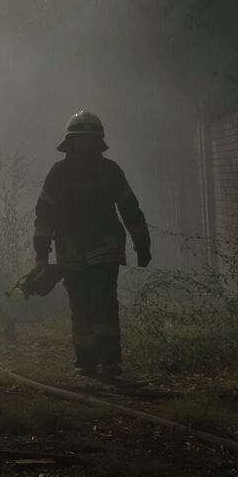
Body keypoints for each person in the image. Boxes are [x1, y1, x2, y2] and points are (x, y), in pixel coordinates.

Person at [33, 110, 150, 376]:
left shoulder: (106, 171)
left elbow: (130, 209)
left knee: (103, 303)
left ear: (98, 142)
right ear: (71, 143)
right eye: (82, 141)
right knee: (82, 305)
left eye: (90, 140)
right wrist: (41, 254)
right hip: (73, 250)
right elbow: (44, 214)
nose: (86, 147)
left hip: (103, 249)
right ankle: (86, 362)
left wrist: (142, 244)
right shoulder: (63, 172)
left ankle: (109, 361)